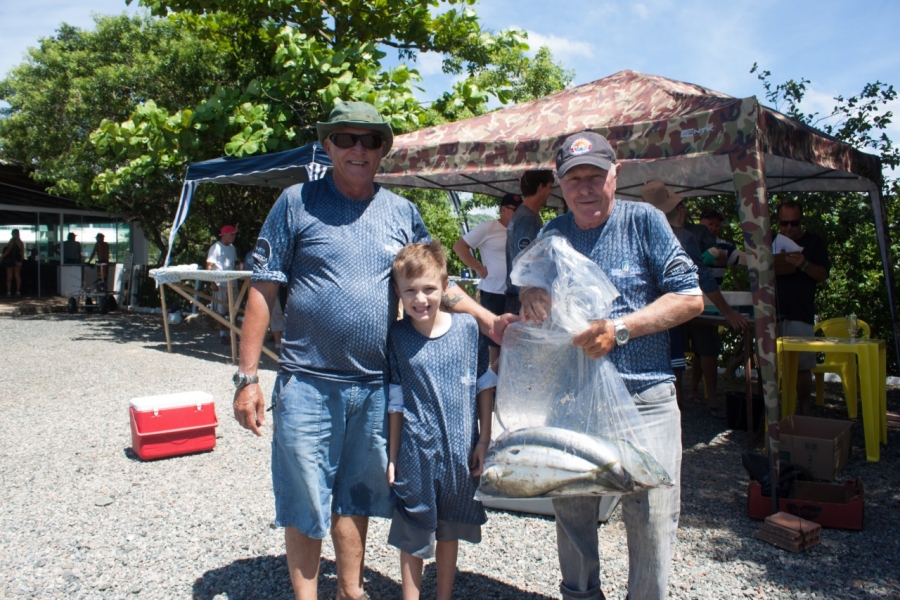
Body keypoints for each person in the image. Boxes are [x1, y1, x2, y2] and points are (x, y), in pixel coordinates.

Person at [233, 101, 512, 600]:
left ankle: (349, 590)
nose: (358, 149)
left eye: (370, 140)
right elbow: (263, 289)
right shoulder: (296, 203)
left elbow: (433, 280)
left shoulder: (402, 212)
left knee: (355, 495)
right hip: (307, 381)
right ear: (327, 146)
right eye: (346, 139)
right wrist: (247, 377)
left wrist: (489, 320)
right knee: (305, 498)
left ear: (383, 149)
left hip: (373, 383)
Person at [519, 131, 704, 600]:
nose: (585, 188)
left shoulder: (644, 221)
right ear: (560, 183)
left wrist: (619, 330)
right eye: (574, 178)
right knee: (574, 512)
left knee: (651, 519)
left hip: (646, 398)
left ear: (615, 174)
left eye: (595, 176)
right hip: (573, 398)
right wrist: (531, 294)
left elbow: (690, 297)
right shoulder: (553, 233)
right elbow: (531, 284)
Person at [386, 241, 495, 600]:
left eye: (429, 289)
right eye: (410, 291)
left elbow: (484, 385)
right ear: (398, 292)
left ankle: (444, 595)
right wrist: (393, 454)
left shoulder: (467, 330)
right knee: (414, 529)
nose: (420, 299)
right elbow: (396, 400)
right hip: (416, 452)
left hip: (461, 450)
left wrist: (484, 440)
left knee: (449, 528)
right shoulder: (398, 338)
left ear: (445, 286)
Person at [640, 182, 748, 415]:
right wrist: (728, 312)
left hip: (640, 315)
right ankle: (671, 415)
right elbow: (704, 279)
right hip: (668, 312)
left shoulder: (633, 233)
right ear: (677, 210)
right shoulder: (683, 237)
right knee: (673, 367)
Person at [452, 192, 523, 367]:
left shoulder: (520, 230)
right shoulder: (488, 228)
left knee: (514, 339)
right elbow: (459, 246)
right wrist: (477, 268)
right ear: (503, 210)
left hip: (515, 293)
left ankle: (502, 381)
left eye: (520, 210)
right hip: (493, 292)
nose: (518, 214)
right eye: (515, 210)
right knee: (493, 340)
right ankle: (490, 386)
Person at [773, 200, 830, 415]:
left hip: (800, 313)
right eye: (783, 223)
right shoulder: (770, 241)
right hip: (772, 312)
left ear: (801, 222)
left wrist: (804, 264)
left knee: (802, 367)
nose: (788, 228)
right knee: (769, 366)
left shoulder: (814, 242)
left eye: (794, 223)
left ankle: (804, 409)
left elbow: (823, 275)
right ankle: (773, 413)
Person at [504, 170, 555, 314]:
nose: (550, 192)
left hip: (520, 296)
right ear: (540, 187)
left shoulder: (524, 214)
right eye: (549, 187)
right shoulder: (527, 218)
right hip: (523, 298)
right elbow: (523, 260)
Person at [206, 225, 240, 346]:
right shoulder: (215, 247)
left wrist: (239, 268)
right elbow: (209, 266)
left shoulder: (232, 248)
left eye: (234, 234)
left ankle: (233, 334)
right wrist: (212, 282)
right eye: (231, 234)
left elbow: (234, 263)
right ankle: (222, 334)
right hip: (221, 283)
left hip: (233, 282)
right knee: (221, 310)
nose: (233, 236)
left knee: (234, 309)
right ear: (224, 234)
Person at [1, 229, 25, 296]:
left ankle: (9, 291)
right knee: (17, 276)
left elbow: (8, 250)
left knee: (9, 276)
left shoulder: (12, 241)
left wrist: (2, 257)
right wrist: (21, 260)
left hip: (10, 260)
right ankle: (18, 291)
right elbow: (22, 253)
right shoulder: (21, 242)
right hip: (18, 261)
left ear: (13, 234)